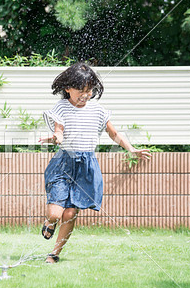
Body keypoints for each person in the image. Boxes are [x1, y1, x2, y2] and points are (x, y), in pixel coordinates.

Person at [38, 62, 151, 264]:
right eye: (80, 90)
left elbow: (113, 133)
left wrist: (131, 148)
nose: (85, 94)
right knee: (56, 213)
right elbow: (59, 130)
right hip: (64, 162)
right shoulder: (62, 107)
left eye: (89, 90)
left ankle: (54, 253)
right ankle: (50, 222)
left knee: (71, 212)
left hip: (86, 167)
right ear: (67, 88)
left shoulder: (98, 111)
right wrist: (56, 137)